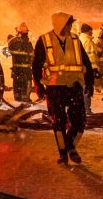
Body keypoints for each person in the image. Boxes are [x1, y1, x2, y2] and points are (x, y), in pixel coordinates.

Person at [32, 12, 94, 165]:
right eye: (68, 24)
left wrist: (90, 82)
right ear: (60, 25)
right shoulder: (44, 40)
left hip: (74, 86)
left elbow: (85, 62)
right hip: (55, 87)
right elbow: (36, 65)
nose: (71, 26)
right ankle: (63, 154)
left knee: (80, 122)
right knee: (58, 122)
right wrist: (38, 85)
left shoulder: (75, 39)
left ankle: (70, 146)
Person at [7, 22, 35, 103]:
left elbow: (7, 52)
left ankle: (17, 96)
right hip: (26, 68)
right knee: (26, 83)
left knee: (17, 82)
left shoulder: (12, 41)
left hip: (16, 68)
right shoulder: (27, 43)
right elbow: (31, 54)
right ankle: (25, 98)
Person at [78, 23, 100, 113]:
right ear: (88, 31)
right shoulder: (86, 41)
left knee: (84, 88)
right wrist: (94, 69)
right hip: (88, 69)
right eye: (91, 31)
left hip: (83, 69)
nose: (92, 32)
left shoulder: (81, 39)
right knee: (87, 89)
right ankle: (87, 110)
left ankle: (84, 109)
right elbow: (89, 56)